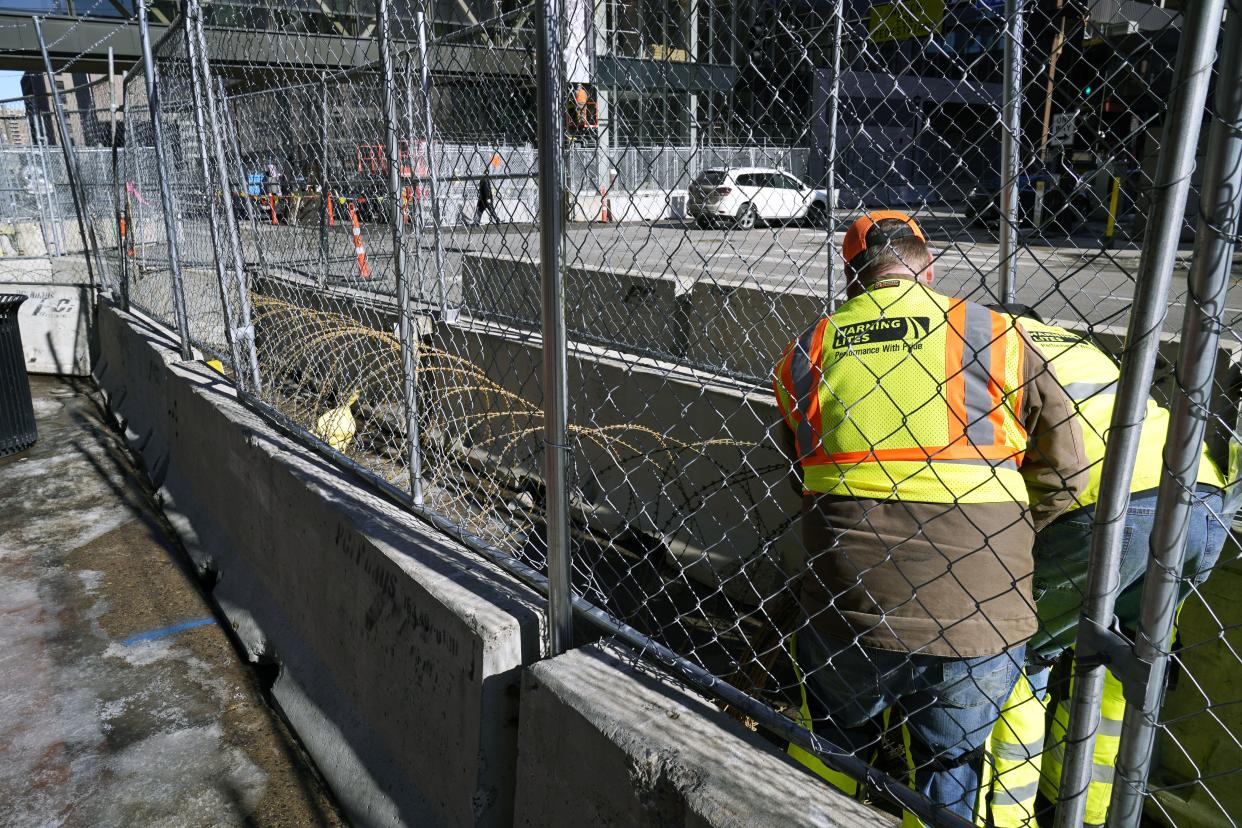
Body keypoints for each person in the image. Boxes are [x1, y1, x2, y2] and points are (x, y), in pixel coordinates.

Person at [772, 211, 1089, 821]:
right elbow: (1066, 471)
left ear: (852, 279)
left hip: (851, 602)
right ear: (930, 269)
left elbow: (801, 475)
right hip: (979, 611)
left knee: (834, 739)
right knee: (949, 764)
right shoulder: (996, 334)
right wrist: (1006, 541)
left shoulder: (806, 351)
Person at [981, 304, 1233, 826]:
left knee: (1015, 655)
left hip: (1103, 504)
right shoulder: (1078, 349)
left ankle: (1005, 817)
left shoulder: (986, 351)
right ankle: (1087, 811)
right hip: (1196, 499)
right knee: (1124, 660)